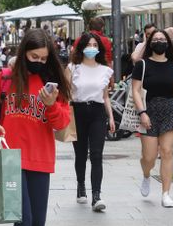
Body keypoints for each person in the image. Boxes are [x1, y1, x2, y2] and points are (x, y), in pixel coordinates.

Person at [0, 28, 71, 226]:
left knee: (37, 222)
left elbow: (62, 123)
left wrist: (51, 105)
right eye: (34, 56)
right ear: (24, 54)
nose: (39, 62)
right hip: (10, 158)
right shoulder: (5, 78)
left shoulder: (52, 84)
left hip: (40, 157)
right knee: (24, 220)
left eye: (44, 58)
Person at [131, 29, 173, 208]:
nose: (159, 41)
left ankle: (166, 193)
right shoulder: (142, 65)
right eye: (155, 39)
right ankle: (147, 175)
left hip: (170, 109)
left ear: (168, 43)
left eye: (162, 39)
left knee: (166, 152)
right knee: (148, 157)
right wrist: (142, 113)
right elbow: (135, 90)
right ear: (150, 43)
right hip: (148, 110)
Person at [67, 32, 115, 211]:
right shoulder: (73, 68)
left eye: (95, 45)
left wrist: (110, 117)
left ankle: (97, 195)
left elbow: (105, 96)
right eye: (89, 45)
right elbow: (64, 94)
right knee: (80, 154)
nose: (92, 48)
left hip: (97, 112)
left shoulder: (105, 69)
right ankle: (81, 186)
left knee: (96, 154)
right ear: (81, 47)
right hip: (78, 112)